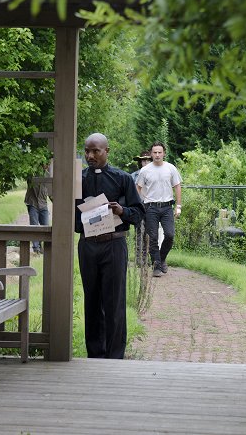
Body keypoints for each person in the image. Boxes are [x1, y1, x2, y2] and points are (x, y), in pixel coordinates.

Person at [74, 133, 144, 359]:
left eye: (95, 151)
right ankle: (94, 354)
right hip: (87, 245)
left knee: (114, 303)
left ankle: (115, 356)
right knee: (91, 300)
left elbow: (139, 213)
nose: (90, 155)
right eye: (87, 151)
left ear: (107, 151)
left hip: (113, 245)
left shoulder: (122, 178)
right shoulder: (79, 179)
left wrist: (122, 211)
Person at [135, 142, 182, 277]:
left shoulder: (171, 168)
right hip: (150, 208)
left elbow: (177, 186)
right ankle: (156, 265)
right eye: (154, 152)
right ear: (151, 154)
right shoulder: (145, 171)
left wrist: (178, 206)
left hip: (167, 207)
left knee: (170, 235)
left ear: (164, 153)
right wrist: (139, 205)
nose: (157, 155)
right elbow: (137, 188)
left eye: (159, 152)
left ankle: (161, 259)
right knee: (153, 237)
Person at [131, 150, 152, 266]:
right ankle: (138, 258)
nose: (145, 162)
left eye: (148, 160)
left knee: (148, 233)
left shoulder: (155, 174)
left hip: (151, 206)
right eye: (143, 160)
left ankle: (146, 258)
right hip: (139, 206)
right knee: (139, 231)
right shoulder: (134, 175)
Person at [24, 162, 51, 254]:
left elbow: (50, 191)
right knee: (34, 226)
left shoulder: (48, 176)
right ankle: (36, 248)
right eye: (45, 164)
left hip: (43, 204)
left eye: (48, 164)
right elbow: (27, 177)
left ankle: (41, 246)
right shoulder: (32, 174)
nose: (47, 166)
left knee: (46, 226)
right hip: (33, 204)